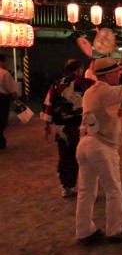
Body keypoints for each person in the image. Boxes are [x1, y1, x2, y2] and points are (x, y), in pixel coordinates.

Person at [76, 53, 122, 244]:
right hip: (102, 147)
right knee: (114, 190)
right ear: (107, 75)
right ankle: (114, 230)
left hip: (85, 144)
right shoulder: (108, 92)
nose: (119, 74)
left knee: (86, 191)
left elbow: (98, 114)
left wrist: (115, 113)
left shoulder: (91, 91)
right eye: (116, 71)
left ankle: (83, 231)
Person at [41, 59, 95, 197]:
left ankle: (67, 186)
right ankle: (86, 186)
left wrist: (47, 126)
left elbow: (49, 105)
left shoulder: (56, 84)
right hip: (82, 127)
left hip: (62, 128)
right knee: (85, 157)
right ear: (78, 70)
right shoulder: (85, 84)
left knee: (65, 157)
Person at [0, 53, 19, 150]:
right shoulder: (5, 74)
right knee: (2, 120)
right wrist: (17, 100)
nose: (7, 63)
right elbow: (12, 90)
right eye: (6, 61)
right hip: (2, 99)